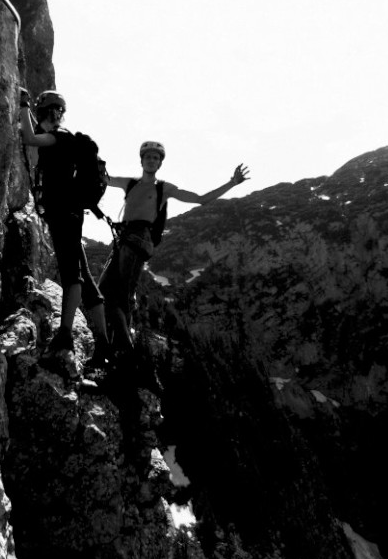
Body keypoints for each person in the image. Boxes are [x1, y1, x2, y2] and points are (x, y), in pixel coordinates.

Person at [99, 140, 249, 353]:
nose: (151, 160)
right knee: (103, 291)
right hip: (123, 239)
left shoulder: (163, 188)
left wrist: (232, 182)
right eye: (148, 157)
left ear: (159, 164)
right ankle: (115, 345)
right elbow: (102, 178)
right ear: (141, 160)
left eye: (155, 158)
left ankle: (122, 351)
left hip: (139, 239)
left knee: (122, 294)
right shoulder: (129, 183)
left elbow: (200, 199)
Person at [19, 88, 109, 361]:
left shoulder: (60, 137)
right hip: (69, 212)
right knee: (85, 279)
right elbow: (37, 136)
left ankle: (65, 334)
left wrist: (22, 105)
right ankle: (104, 344)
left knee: (72, 274)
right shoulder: (62, 138)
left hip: (64, 213)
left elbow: (30, 137)